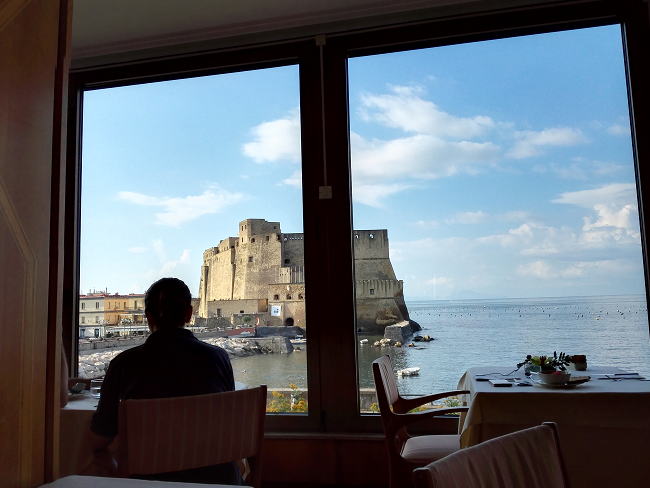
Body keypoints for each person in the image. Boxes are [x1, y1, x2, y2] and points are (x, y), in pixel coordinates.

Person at [90, 277, 240, 484]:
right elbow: (228, 422)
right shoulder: (219, 358)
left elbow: (100, 438)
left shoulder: (123, 364)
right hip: (215, 479)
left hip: (146, 480)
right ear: (189, 314)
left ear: (148, 317)